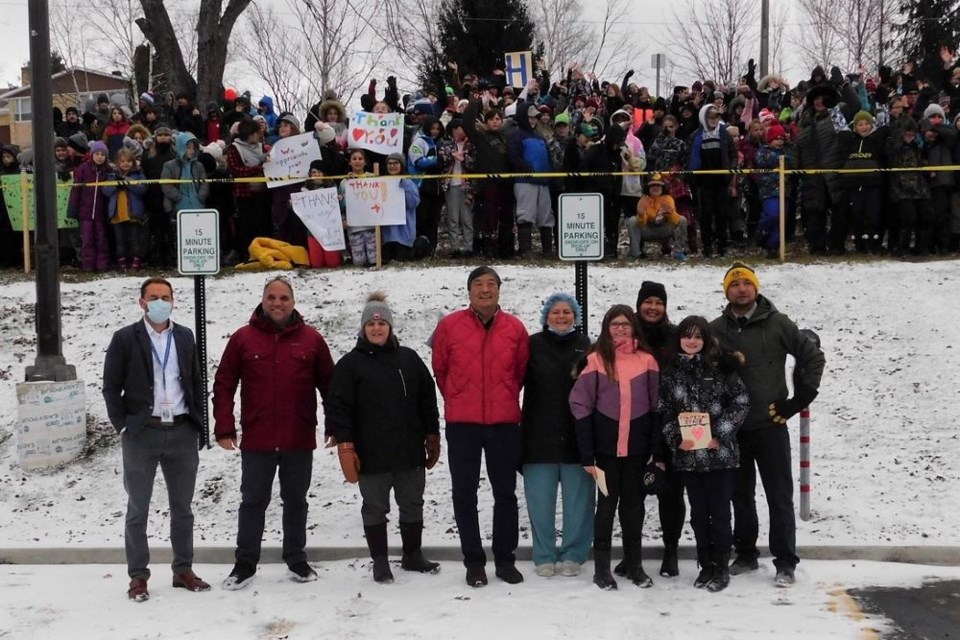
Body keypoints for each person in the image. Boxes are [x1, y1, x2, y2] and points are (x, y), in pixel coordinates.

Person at [213, 275, 336, 590]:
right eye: (272, 297)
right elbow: (224, 385)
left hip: (298, 436)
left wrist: (335, 425)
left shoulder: (311, 340)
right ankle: (244, 564)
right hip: (258, 439)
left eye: (283, 298)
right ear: (262, 301)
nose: (278, 303)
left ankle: (296, 558)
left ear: (293, 302)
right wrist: (224, 425)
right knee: (253, 501)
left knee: (296, 500)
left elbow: (331, 387)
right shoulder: (243, 339)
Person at [710, 262, 825, 587]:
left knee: (779, 495)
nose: (741, 289)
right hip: (733, 428)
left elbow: (813, 356)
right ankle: (746, 553)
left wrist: (798, 400)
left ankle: (785, 561)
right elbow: (701, 367)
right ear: (727, 291)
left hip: (770, 424)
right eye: (734, 285)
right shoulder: (716, 329)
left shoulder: (778, 324)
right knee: (739, 495)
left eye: (746, 283)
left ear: (756, 288)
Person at [102, 277, 209, 602]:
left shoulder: (185, 336)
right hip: (142, 433)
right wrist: (123, 426)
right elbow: (110, 387)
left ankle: (183, 569)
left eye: (165, 296)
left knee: (183, 509)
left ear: (173, 301)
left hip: (180, 431)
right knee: (138, 509)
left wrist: (198, 424)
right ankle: (138, 576)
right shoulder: (125, 338)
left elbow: (194, 381)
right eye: (153, 297)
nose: (160, 301)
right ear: (142, 302)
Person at [328, 292, 442, 584]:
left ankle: (412, 555)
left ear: (390, 327)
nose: (376, 329)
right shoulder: (350, 365)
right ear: (363, 328)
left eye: (382, 323)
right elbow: (338, 407)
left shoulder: (409, 359)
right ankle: (380, 561)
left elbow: (428, 398)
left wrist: (432, 433)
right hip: (371, 454)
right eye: (371, 324)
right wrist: (345, 443)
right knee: (375, 508)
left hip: (408, 452)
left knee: (413, 503)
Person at [431, 266, 530, 587]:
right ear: (469, 291)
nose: (485, 290)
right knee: (464, 493)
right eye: (478, 284)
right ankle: (474, 562)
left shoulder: (515, 328)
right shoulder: (449, 326)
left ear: (499, 291)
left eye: (491, 284)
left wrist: (502, 398)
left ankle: (505, 559)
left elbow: (520, 372)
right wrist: (459, 398)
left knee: (505, 493)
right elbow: (441, 369)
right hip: (463, 424)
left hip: (503, 423)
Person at [569, 305, 663, 591]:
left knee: (634, 508)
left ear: (634, 327)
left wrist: (655, 450)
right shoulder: (596, 360)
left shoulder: (647, 361)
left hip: (637, 450)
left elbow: (658, 406)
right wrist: (587, 452)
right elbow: (580, 405)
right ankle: (602, 569)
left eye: (625, 324)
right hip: (606, 452)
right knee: (607, 508)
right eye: (614, 324)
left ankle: (634, 565)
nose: (620, 329)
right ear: (606, 327)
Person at [659, 316, 750, 592]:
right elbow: (663, 410)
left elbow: (741, 401)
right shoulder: (671, 372)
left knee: (720, 513)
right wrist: (677, 438)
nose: (692, 341)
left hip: (719, 456)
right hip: (689, 458)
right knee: (698, 514)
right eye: (687, 335)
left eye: (698, 336)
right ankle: (705, 564)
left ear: (706, 340)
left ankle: (721, 566)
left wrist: (719, 434)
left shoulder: (722, 367)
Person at [521, 293, 594, 578]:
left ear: (575, 317)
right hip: (538, 437)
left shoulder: (585, 346)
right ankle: (544, 554)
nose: (561, 317)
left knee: (579, 502)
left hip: (577, 438)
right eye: (555, 312)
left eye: (567, 312)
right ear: (546, 316)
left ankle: (574, 553)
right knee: (540, 502)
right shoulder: (532, 345)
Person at [103, 148, 149, 270]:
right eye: (123, 161)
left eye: (129, 161)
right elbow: (105, 191)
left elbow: (143, 189)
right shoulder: (112, 175)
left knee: (134, 239)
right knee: (120, 241)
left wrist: (130, 184)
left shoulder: (138, 174)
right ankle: (122, 263)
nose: (126, 164)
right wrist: (116, 185)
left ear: (133, 162)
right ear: (118, 162)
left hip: (133, 214)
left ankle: (135, 261)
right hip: (117, 214)